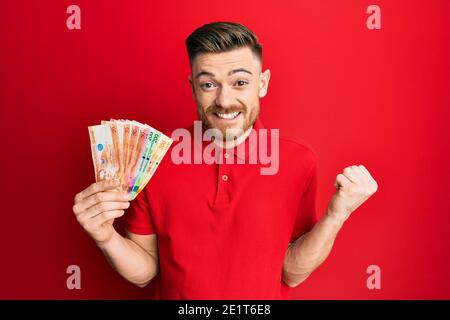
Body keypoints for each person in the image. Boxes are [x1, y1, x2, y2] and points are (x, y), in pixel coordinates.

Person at [72, 22, 378, 299]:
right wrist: (105, 237)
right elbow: (145, 272)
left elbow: (292, 273)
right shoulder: (154, 157)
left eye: (240, 83)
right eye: (209, 84)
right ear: (192, 87)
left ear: (263, 83)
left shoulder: (299, 161)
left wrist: (336, 215)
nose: (224, 100)